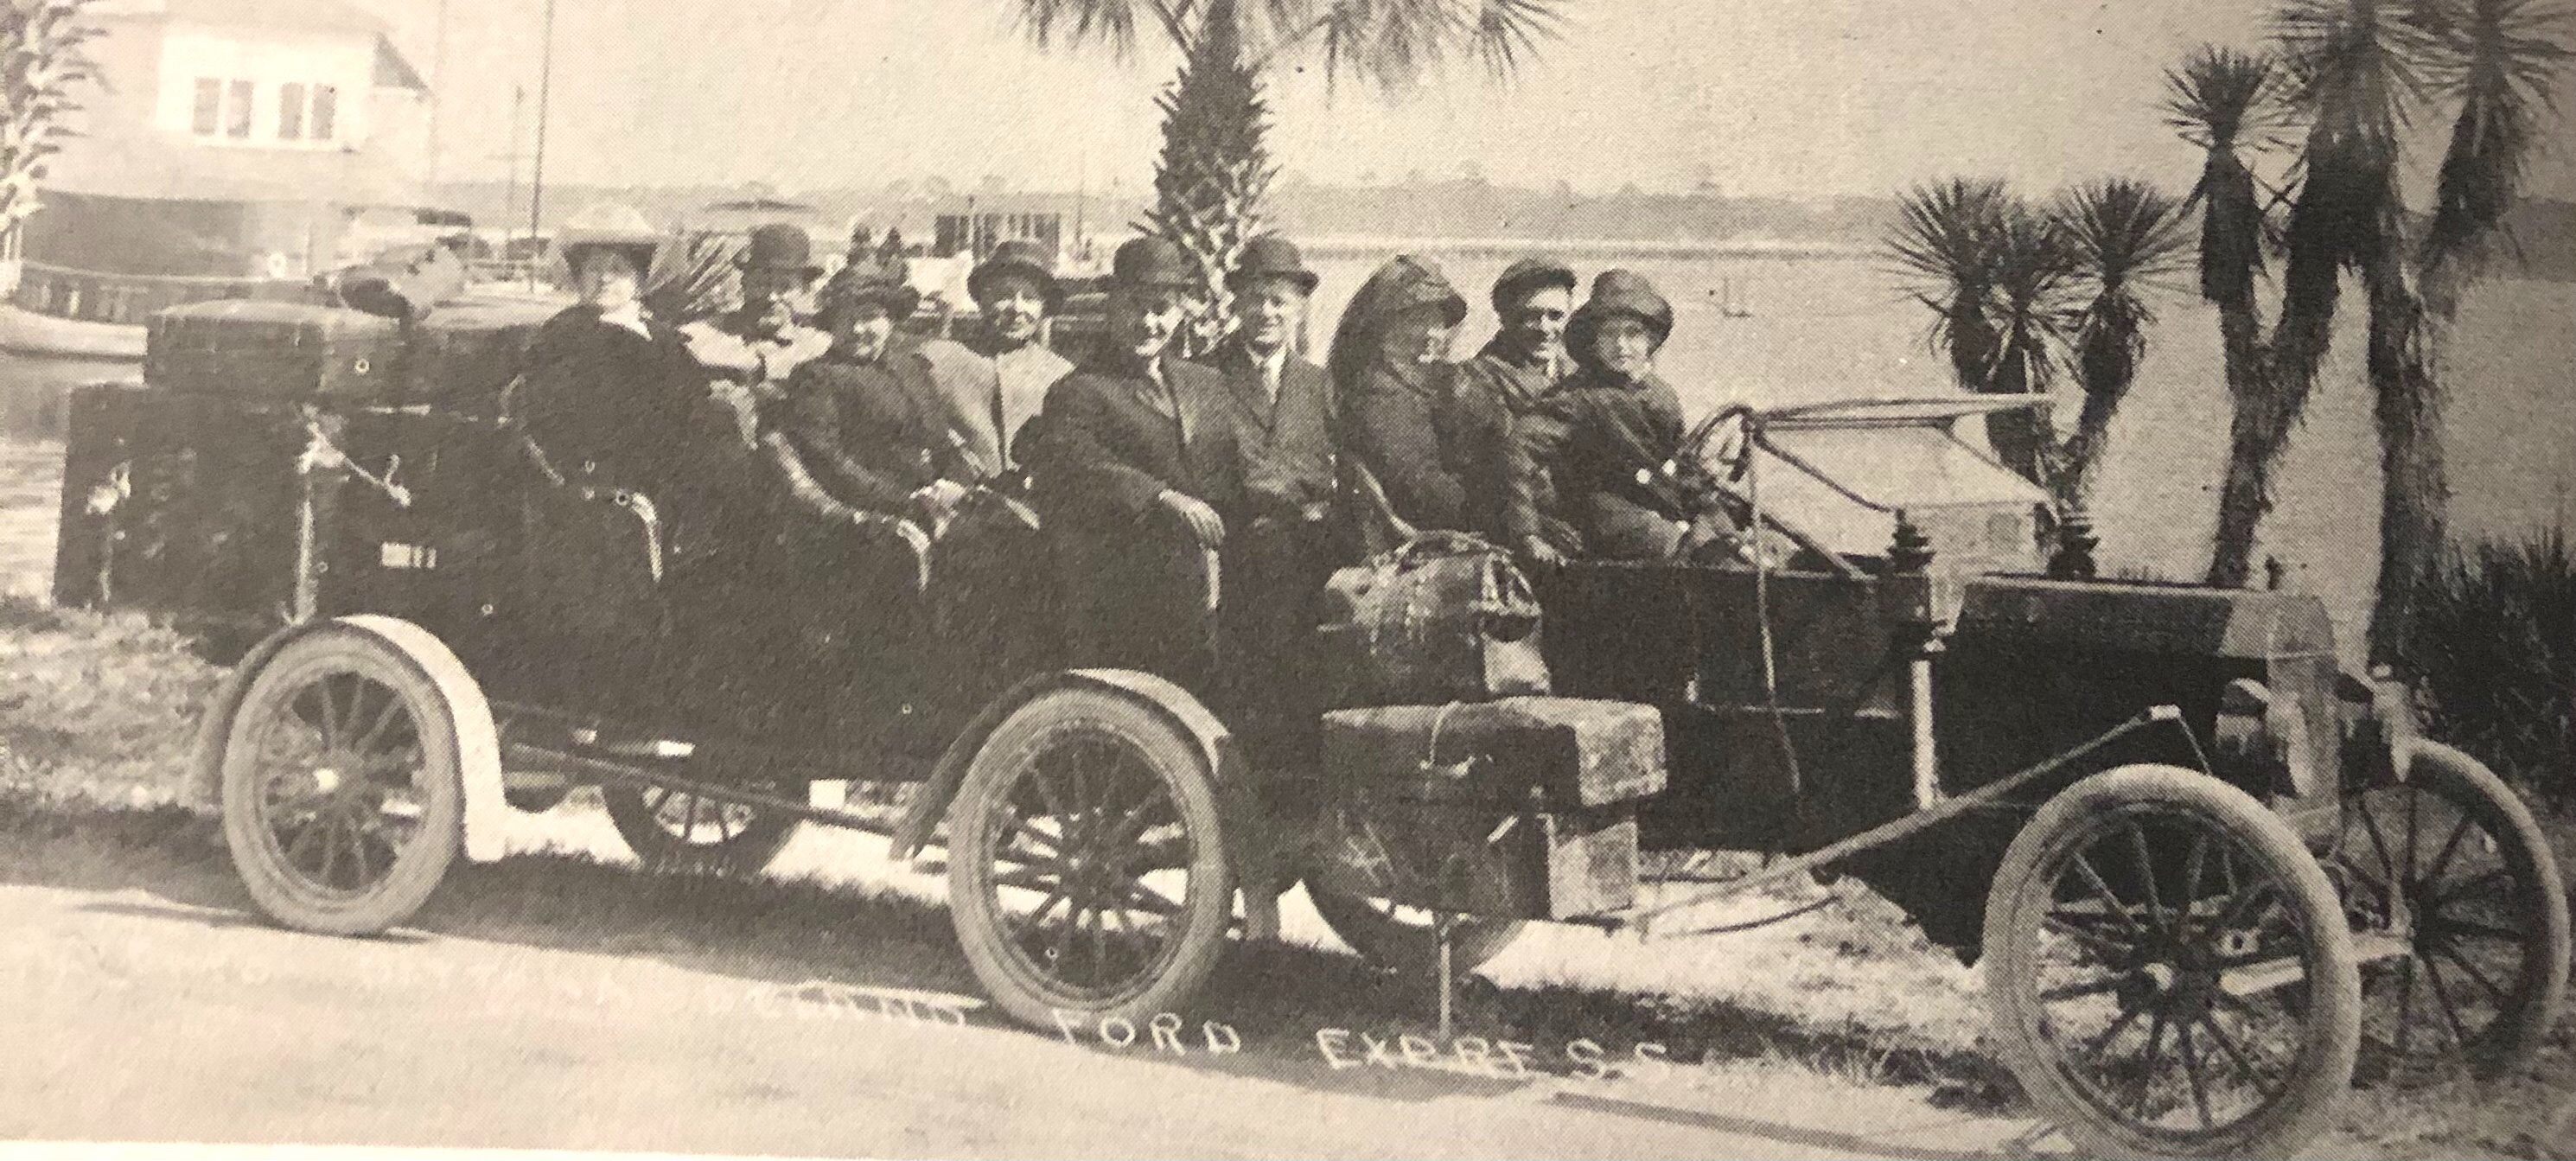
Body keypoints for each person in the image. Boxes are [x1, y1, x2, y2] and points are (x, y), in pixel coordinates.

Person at [1033, 235, 1247, 691]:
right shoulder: (1080, 390)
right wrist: (1164, 497)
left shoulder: (1205, 382)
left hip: (1203, 572)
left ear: (1180, 313)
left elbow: (1235, 460)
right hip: (1123, 578)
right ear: (1111, 309)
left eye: (1161, 309)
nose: (1149, 322)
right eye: (1136, 307)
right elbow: (1077, 463)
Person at [1203, 234, 1334, 765]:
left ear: (1298, 307)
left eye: (1279, 301)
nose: (1267, 312)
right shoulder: (1202, 377)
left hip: (1310, 556)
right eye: (1255, 299)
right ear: (1235, 303)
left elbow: (1332, 467)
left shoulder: (1320, 384)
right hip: (1232, 554)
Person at [1514, 269, 1733, 562]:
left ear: (1651, 340)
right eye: (1609, 334)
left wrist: (1716, 519)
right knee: (1683, 549)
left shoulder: (1661, 395)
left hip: (1659, 506)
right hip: (1604, 521)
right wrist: (1527, 532)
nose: (1621, 345)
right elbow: (1516, 453)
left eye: (1633, 333)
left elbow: (1682, 466)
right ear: (1594, 341)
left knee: (1744, 538)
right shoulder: (1575, 398)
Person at [1329, 254, 1527, 550]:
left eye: (1436, 320)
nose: (1432, 333)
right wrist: (1503, 512)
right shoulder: (1377, 396)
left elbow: (1500, 434)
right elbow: (1418, 485)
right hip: (1434, 535)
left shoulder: (1439, 379)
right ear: (1385, 326)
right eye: (1417, 319)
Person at [763, 267, 967, 532]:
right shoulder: (817, 377)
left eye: (870, 317)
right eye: (845, 319)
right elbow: (827, 462)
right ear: (832, 325)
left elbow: (941, 442)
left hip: (934, 503)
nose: (857, 329)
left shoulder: (912, 368)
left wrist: (955, 485)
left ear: (889, 320)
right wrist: (905, 502)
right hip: (868, 516)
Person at [912, 238, 1075, 483]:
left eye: (1030, 298)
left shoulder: (1061, 375)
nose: (1017, 308)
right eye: (1004, 295)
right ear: (983, 300)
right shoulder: (937, 360)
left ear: (1044, 308)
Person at [1457, 256, 1582, 556]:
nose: (1544, 328)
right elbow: (1493, 471)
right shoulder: (1478, 378)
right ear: (1505, 318)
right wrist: (1532, 532)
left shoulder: (1579, 374)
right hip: (1522, 528)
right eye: (1531, 316)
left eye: (1555, 316)